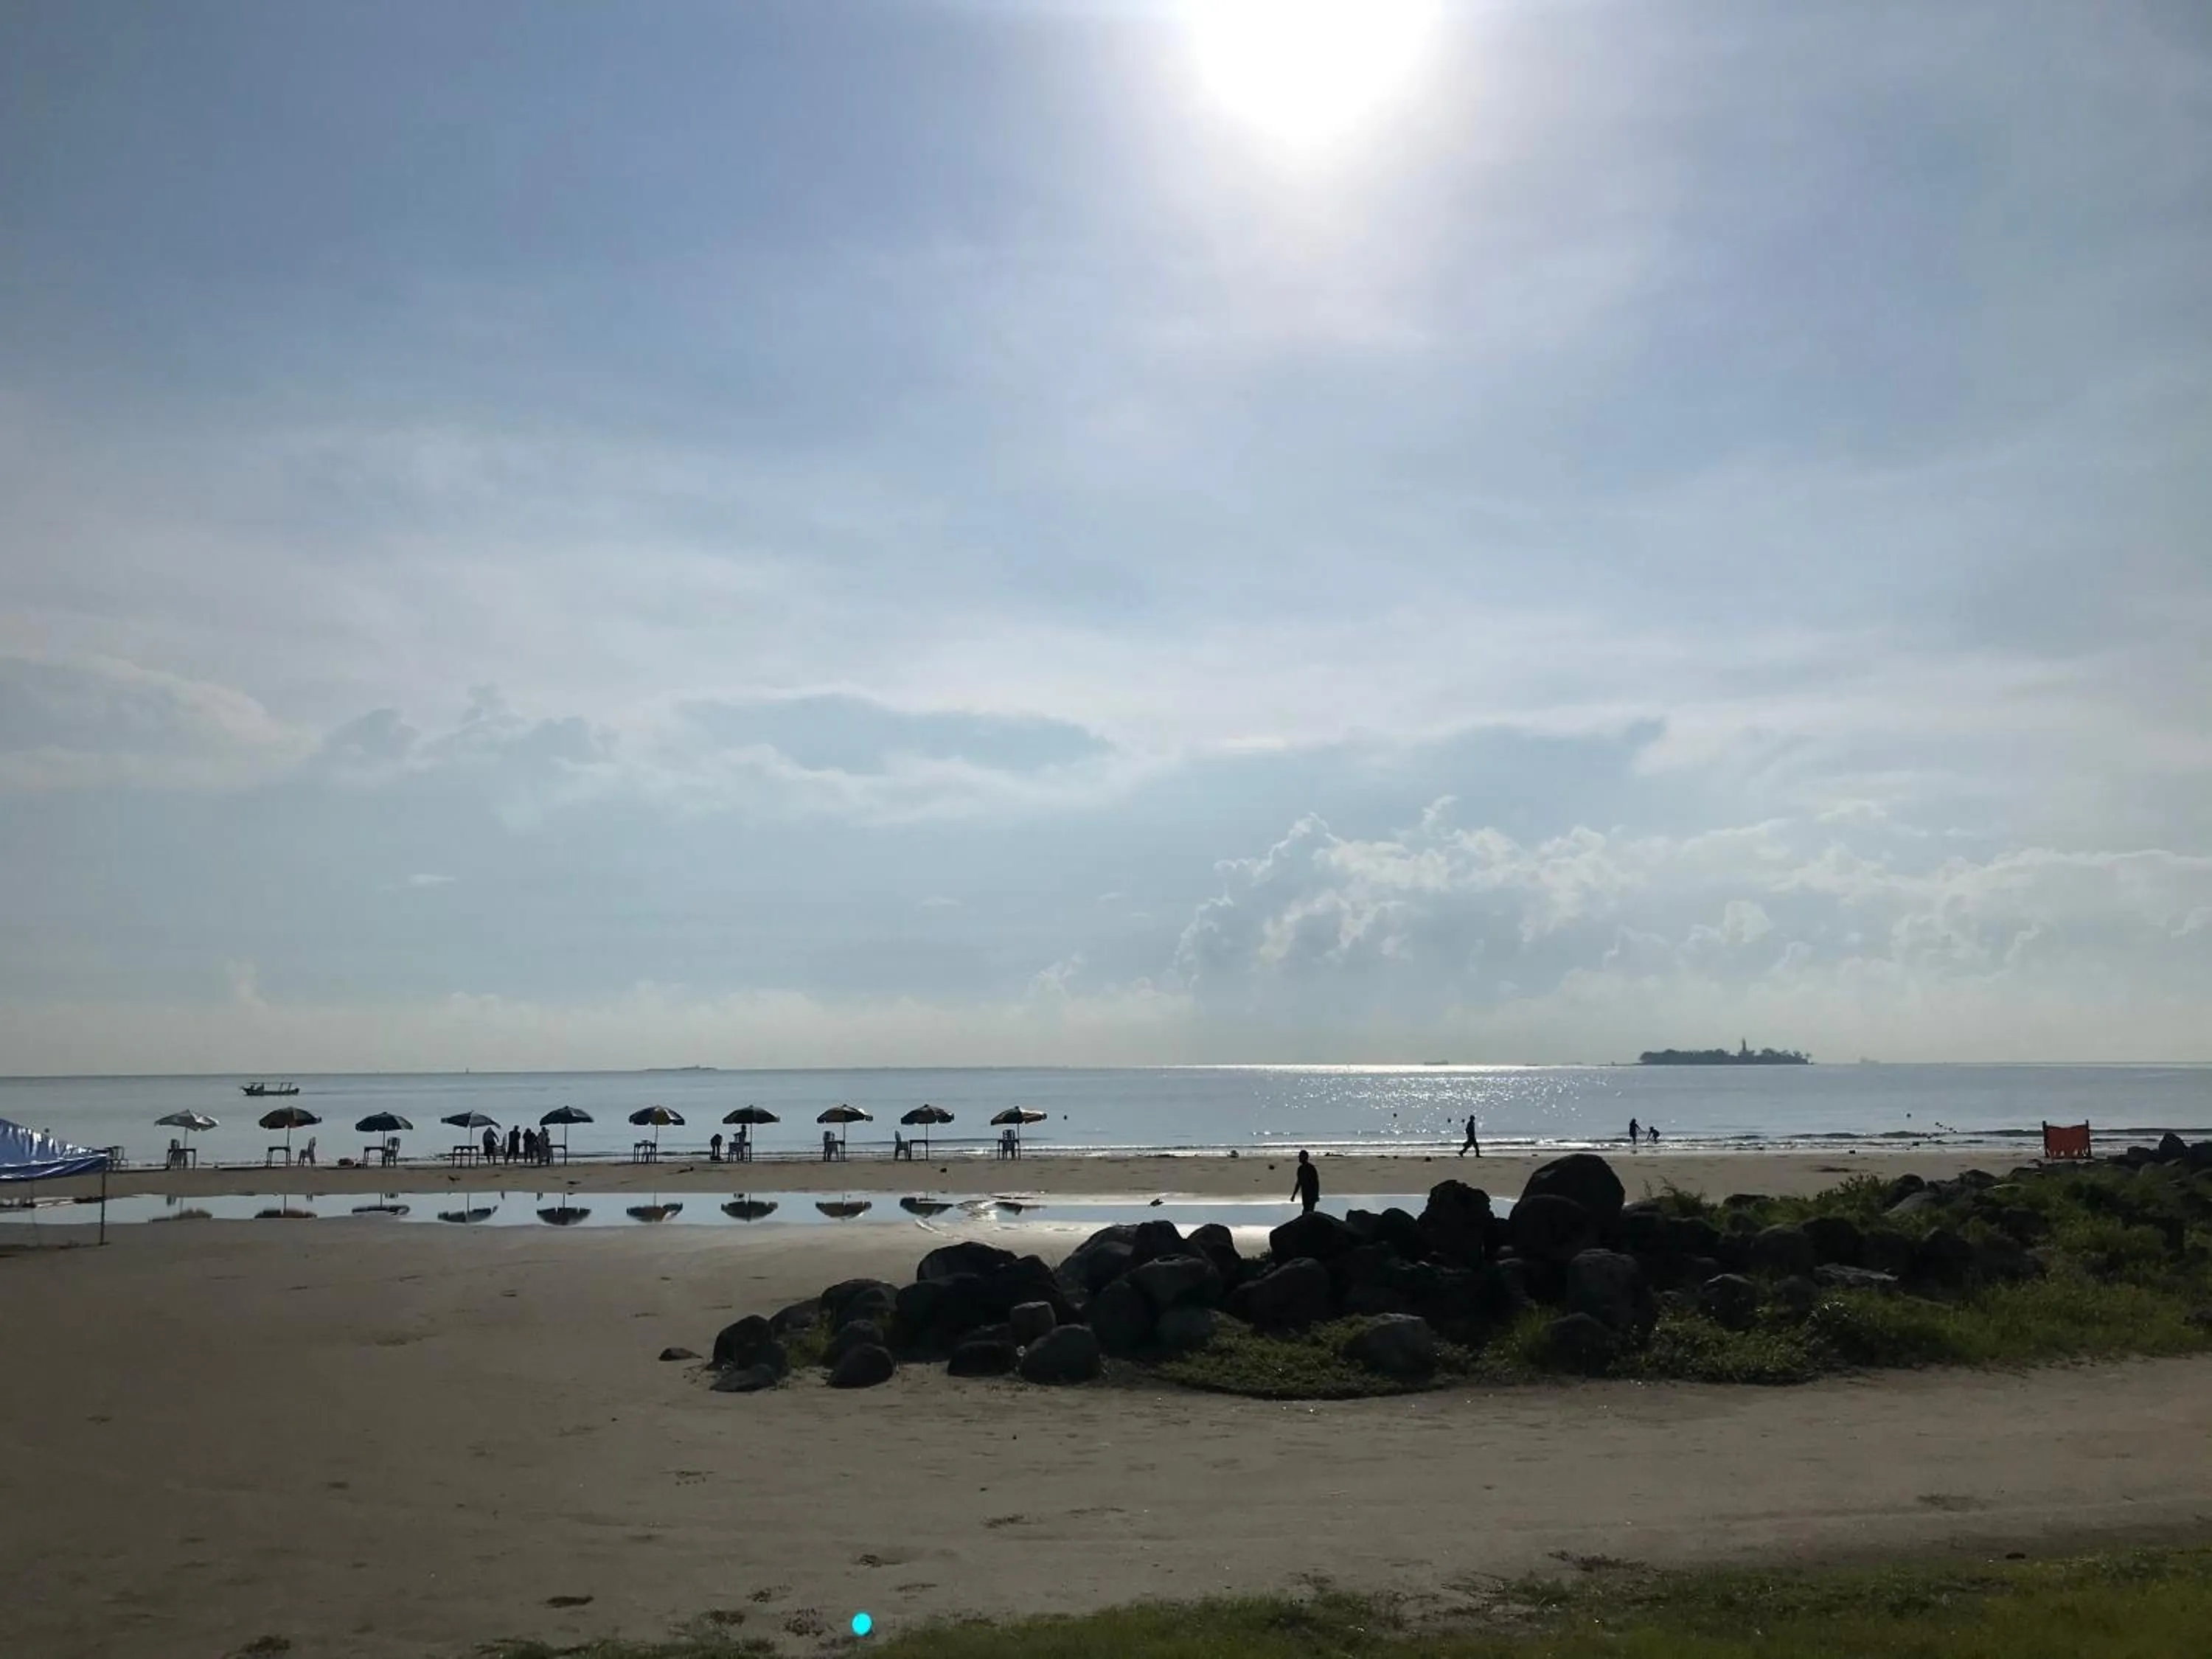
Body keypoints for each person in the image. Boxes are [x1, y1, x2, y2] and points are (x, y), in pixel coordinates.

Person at [1292, 1150, 1320, 1214]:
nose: (1299, 1158)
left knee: (1309, 1211)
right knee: (1306, 1210)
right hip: (1305, 1193)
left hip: (1311, 1194)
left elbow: (1316, 1182)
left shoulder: (1311, 1168)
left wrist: (1316, 1195)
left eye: (1300, 1157)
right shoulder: (1300, 1169)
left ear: (1305, 1157)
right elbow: (1299, 1182)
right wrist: (1294, 1195)